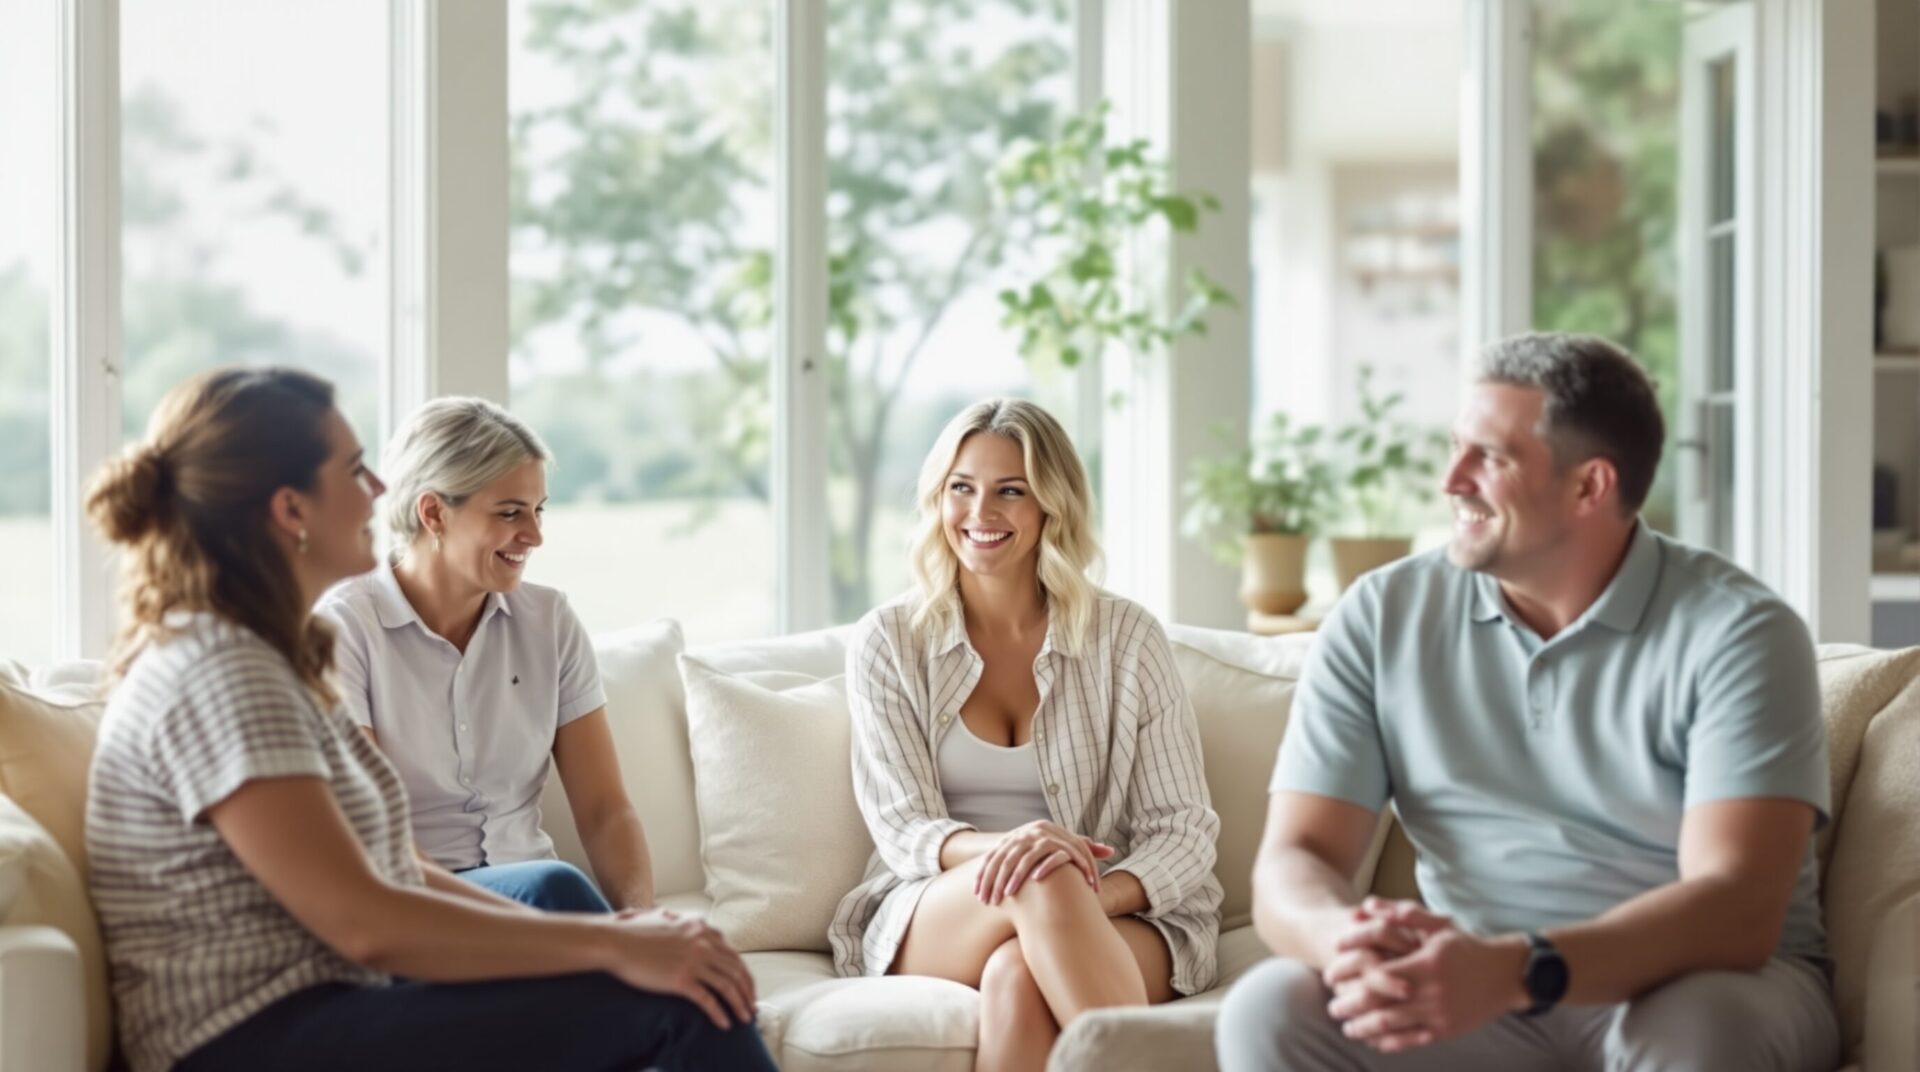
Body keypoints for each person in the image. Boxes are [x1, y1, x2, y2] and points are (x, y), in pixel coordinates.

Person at [83, 367, 774, 1072]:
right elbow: (364, 921)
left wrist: (622, 945)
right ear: (291, 509)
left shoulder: (256, 656)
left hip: (317, 1003)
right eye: (354, 470)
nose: (379, 491)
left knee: (594, 924)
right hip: (247, 1039)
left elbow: (382, 875)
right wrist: (615, 947)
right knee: (680, 1002)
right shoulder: (223, 670)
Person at [1215, 333, 1839, 1072]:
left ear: (1589, 486)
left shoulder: (1739, 631)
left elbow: (1735, 909)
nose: (1451, 480)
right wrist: (1343, 943)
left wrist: (1515, 970)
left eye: (1491, 457)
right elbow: (1299, 856)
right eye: (1455, 448)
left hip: (1700, 985)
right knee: (1274, 1007)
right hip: (1474, 984)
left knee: (1698, 1031)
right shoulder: (1383, 613)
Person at [829, 398, 1223, 1072]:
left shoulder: (1126, 638)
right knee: (1035, 877)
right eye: (962, 488)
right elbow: (903, 827)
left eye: (1010, 491)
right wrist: (1023, 854)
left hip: (1118, 904)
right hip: (941, 904)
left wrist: (1087, 888)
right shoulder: (889, 640)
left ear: (1052, 507)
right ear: (938, 499)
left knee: (1019, 974)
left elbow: (1184, 829)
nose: (980, 512)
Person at [316, 397, 649, 913]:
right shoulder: (343, 630)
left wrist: (644, 922)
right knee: (555, 889)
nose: (535, 536)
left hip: (538, 899)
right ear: (433, 513)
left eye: (538, 511)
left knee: (569, 903)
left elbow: (605, 811)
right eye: (510, 512)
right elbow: (373, 830)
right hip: (422, 903)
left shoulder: (551, 621)